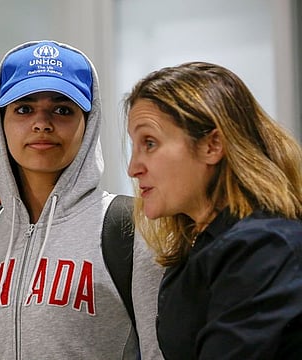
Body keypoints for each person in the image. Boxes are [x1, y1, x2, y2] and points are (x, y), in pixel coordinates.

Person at [0, 40, 163, 359]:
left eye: (62, 109)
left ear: (88, 121)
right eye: (24, 108)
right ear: (1, 120)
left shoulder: (130, 229)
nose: (42, 123)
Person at [125, 61, 302, 359]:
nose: (133, 168)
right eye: (134, 146)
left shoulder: (265, 247)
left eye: (150, 143)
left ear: (212, 145)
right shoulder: (194, 247)